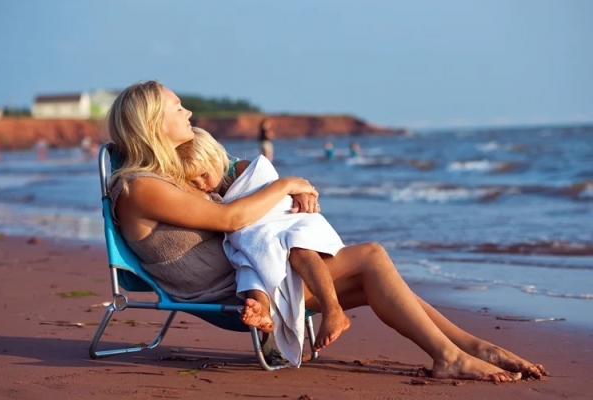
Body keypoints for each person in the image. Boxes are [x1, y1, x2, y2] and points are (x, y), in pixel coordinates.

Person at [107, 80, 546, 382]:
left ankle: (467, 348)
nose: (188, 111)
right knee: (371, 258)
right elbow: (231, 219)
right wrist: (288, 184)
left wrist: (280, 184)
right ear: (151, 123)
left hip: (254, 278)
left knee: (377, 275)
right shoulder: (141, 187)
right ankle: (452, 354)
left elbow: (231, 171)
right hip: (238, 292)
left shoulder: (172, 174)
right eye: (177, 107)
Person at [179, 127, 350, 360]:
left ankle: (333, 309)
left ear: (214, 158)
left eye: (203, 175)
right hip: (254, 235)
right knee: (248, 263)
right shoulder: (209, 193)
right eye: (193, 181)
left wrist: (294, 191)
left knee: (298, 248)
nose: (200, 184)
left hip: (284, 224)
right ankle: (261, 310)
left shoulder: (244, 170)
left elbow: (268, 184)